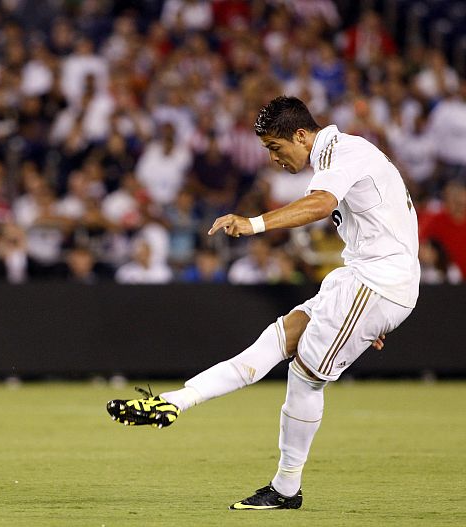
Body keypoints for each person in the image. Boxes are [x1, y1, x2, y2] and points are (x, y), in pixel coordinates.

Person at [107, 96, 420, 510]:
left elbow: (320, 205)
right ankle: (175, 401)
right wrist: (366, 319)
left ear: (301, 135)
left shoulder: (344, 152)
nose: (274, 159)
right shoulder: (342, 156)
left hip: (377, 281)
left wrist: (253, 223)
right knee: (275, 340)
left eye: (276, 147)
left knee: (305, 377)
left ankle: (286, 489)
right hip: (362, 281)